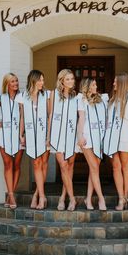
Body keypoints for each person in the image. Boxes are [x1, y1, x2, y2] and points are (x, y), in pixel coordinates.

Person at [0, 73, 23, 209]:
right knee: (8, 165)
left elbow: (25, 116)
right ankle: (11, 195)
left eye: (16, 81)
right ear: (7, 83)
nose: (15, 83)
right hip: (4, 135)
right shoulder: (1, 98)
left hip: (18, 135)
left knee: (17, 165)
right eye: (12, 81)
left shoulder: (22, 97)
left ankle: (9, 195)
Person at [104, 72, 128, 210]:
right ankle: (120, 197)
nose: (113, 84)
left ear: (122, 83)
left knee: (125, 167)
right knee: (115, 167)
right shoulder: (112, 99)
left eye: (115, 81)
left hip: (124, 136)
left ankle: (125, 197)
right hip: (112, 137)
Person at [18, 70, 50, 210]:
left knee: (43, 163)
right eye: (40, 80)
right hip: (31, 135)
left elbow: (50, 116)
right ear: (33, 80)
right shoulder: (22, 97)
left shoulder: (47, 95)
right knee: (36, 164)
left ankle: (38, 195)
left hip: (45, 135)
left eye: (43, 80)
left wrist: (49, 136)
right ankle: (41, 196)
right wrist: (21, 134)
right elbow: (23, 117)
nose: (42, 83)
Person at [48, 69, 77, 211]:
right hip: (56, 136)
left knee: (70, 166)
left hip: (72, 136)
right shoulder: (53, 94)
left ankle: (62, 196)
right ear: (61, 81)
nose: (71, 81)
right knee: (63, 166)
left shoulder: (75, 96)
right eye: (67, 79)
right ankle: (72, 199)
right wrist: (48, 136)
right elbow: (51, 115)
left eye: (72, 79)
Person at [77, 78, 107, 211]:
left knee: (93, 169)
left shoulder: (102, 99)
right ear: (88, 87)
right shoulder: (81, 100)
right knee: (94, 168)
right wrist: (80, 136)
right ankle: (101, 198)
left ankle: (88, 198)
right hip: (87, 138)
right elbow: (81, 118)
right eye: (93, 84)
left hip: (99, 138)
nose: (96, 86)